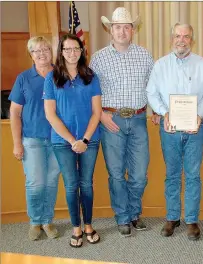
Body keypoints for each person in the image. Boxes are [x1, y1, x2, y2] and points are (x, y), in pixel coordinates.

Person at [89, 7, 154, 237]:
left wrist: (156, 110)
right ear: (110, 30)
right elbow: (90, 91)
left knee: (139, 174)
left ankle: (134, 212)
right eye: (118, 27)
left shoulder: (145, 55)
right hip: (110, 120)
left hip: (138, 119)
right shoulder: (98, 58)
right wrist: (101, 115)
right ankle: (123, 217)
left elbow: (153, 88)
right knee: (116, 173)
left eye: (127, 27)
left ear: (133, 30)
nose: (122, 31)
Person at [146, 23, 203, 240]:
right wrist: (164, 113)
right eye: (177, 36)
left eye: (186, 36)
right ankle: (172, 217)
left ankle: (192, 220)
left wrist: (199, 115)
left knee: (193, 175)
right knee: (172, 175)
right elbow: (151, 93)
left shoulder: (202, 65)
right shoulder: (160, 65)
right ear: (171, 38)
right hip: (170, 130)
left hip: (195, 129)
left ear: (191, 40)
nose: (181, 40)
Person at [44, 34, 102, 248]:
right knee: (71, 186)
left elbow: (97, 112)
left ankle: (88, 225)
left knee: (86, 184)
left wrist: (84, 139)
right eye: (67, 49)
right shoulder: (51, 78)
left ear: (81, 50)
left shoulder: (91, 76)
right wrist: (72, 140)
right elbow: (50, 114)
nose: (72, 53)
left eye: (75, 48)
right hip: (62, 142)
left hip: (90, 140)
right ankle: (75, 228)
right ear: (61, 52)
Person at [9, 36, 60, 241]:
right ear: (31, 55)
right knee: (35, 183)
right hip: (32, 139)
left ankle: (47, 221)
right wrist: (16, 143)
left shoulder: (61, 75)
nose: (42, 54)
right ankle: (35, 221)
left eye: (46, 49)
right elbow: (14, 113)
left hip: (58, 139)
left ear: (52, 52)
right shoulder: (23, 78)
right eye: (36, 50)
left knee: (51, 182)